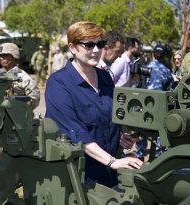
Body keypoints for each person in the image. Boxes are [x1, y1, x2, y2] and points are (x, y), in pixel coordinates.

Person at [45, 21, 143, 188]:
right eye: (89, 45)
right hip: (77, 175)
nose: (96, 50)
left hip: (108, 172)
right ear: (73, 48)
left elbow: (108, 116)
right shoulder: (58, 83)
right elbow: (75, 132)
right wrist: (112, 161)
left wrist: (120, 135)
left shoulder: (105, 77)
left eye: (100, 44)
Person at [136, 45, 174, 161]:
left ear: (153, 54)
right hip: (158, 107)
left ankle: (140, 155)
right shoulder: (166, 71)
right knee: (159, 131)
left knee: (141, 130)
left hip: (145, 104)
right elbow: (170, 89)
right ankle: (157, 156)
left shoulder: (145, 67)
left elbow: (138, 85)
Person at [0, 42, 40, 108]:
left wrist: (20, 108)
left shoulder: (23, 77)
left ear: (13, 57)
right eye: (0, 56)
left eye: (5, 55)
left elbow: (35, 98)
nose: (1, 58)